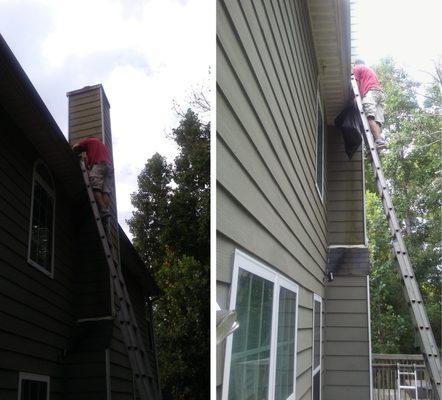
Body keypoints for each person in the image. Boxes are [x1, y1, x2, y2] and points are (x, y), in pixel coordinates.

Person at [72, 137, 113, 219]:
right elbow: (88, 164)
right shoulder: (100, 146)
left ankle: (103, 209)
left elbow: (76, 146)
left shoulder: (88, 141)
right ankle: (105, 212)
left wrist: (73, 152)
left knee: (95, 188)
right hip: (109, 168)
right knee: (106, 191)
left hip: (99, 165)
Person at [353, 59, 386, 149]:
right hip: (380, 94)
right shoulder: (371, 71)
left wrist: (355, 97)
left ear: (356, 64)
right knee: (377, 120)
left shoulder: (356, 68)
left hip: (370, 92)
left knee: (369, 116)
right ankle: (379, 141)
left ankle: (379, 140)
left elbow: (356, 84)